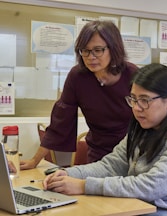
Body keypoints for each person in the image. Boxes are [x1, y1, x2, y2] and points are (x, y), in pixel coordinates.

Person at [43, 63, 167, 215]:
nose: (137, 108)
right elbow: (110, 166)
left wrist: (82, 186)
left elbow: (150, 186)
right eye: (133, 99)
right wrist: (67, 174)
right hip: (137, 208)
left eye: (145, 100)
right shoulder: (143, 128)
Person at [20, 20, 138, 170]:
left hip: (132, 153)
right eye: (85, 50)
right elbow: (60, 121)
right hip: (98, 153)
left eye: (98, 50)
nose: (91, 57)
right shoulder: (78, 77)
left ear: (113, 49)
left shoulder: (133, 75)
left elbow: (150, 119)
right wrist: (34, 161)